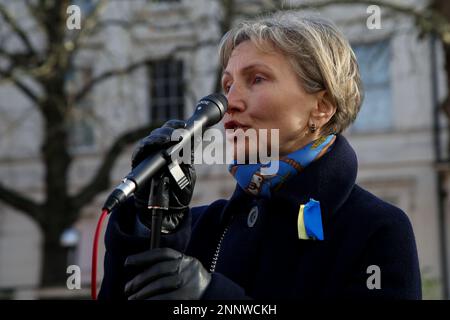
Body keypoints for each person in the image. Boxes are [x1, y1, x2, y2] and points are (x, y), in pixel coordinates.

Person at [98, 11, 422, 300]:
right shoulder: (202, 226)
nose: (230, 103)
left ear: (321, 107)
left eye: (256, 79)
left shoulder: (375, 228)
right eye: (227, 85)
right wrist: (149, 223)